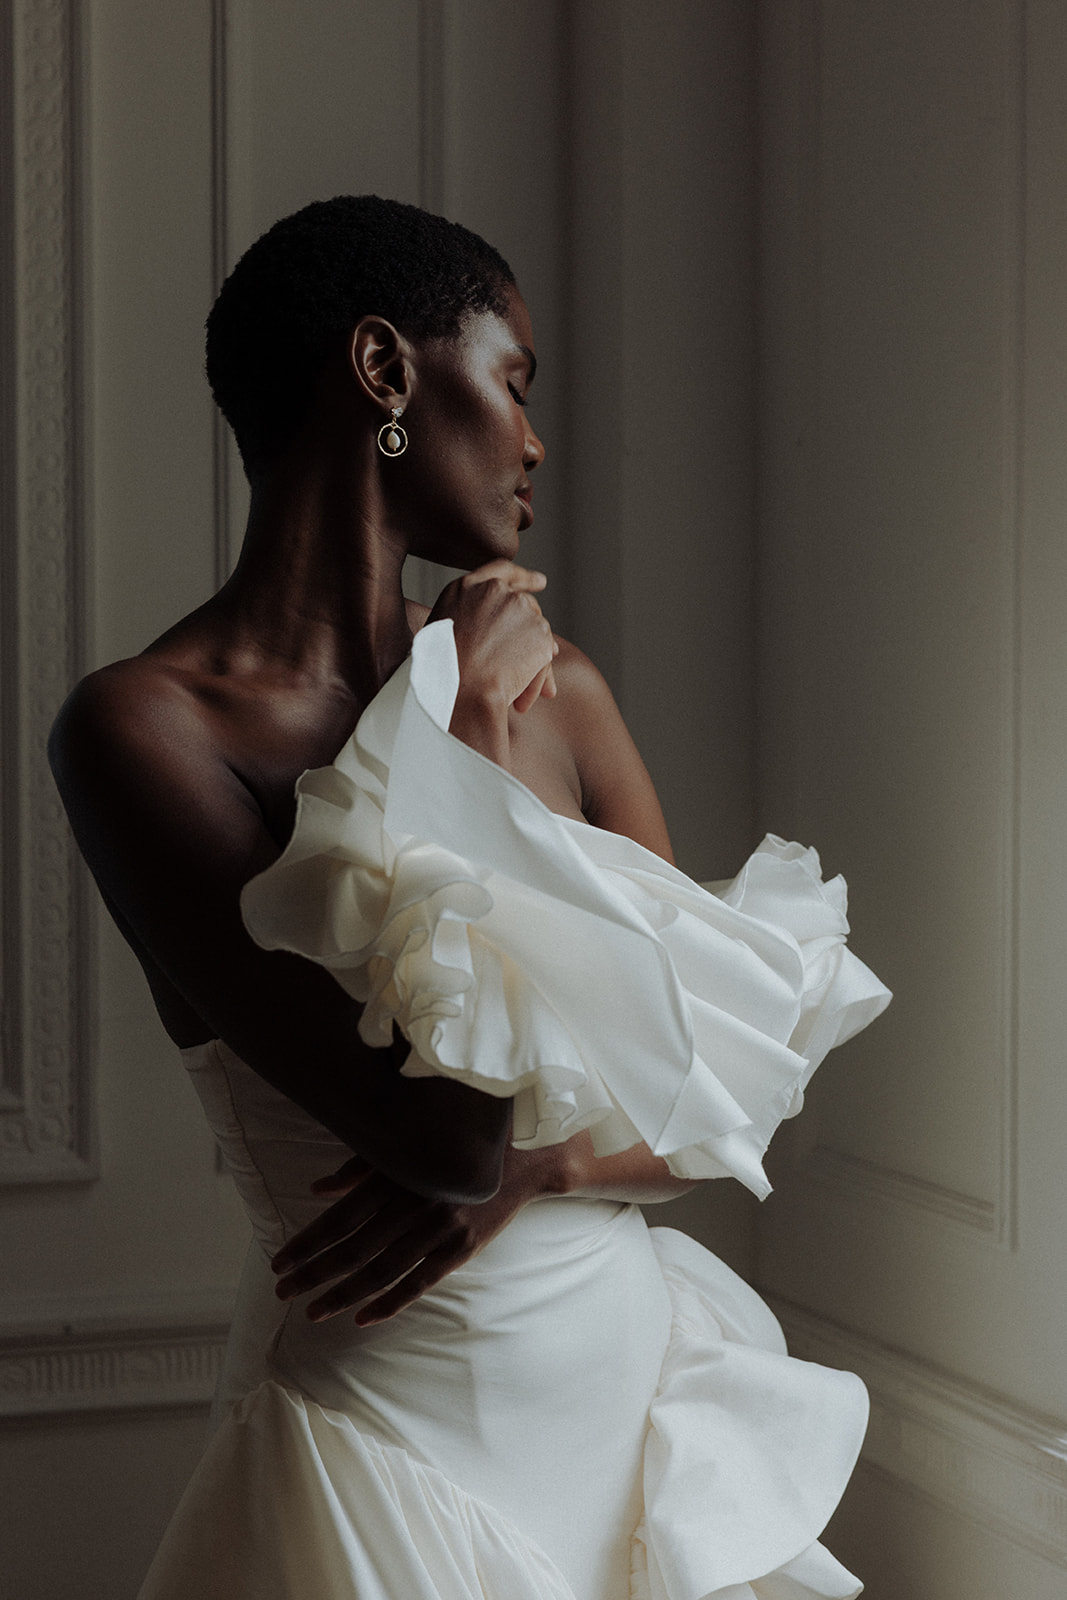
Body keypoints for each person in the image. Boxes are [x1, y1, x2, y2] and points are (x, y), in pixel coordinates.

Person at [49, 195, 890, 1600]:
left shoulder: (570, 698)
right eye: (514, 383)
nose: (536, 441)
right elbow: (443, 1135)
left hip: (629, 1419)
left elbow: (714, 1099)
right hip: (394, 1447)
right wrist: (462, 748)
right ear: (387, 372)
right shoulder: (147, 734)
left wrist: (553, 1174)